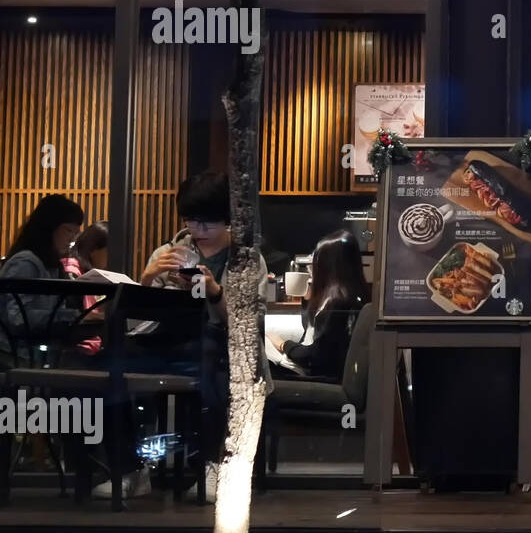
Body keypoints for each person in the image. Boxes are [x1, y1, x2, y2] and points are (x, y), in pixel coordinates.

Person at [100, 171, 267, 501]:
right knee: (111, 363)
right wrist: (147, 280)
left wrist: (215, 291)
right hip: (167, 342)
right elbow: (137, 318)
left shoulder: (247, 260)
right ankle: (131, 469)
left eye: (209, 223)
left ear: (228, 219)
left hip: (221, 349)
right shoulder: (170, 252)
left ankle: (214, 465)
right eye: (191, 221)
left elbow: (248, 325)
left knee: (213, 357)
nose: (198, 232)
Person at [268, 229, 369, 382]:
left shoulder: (339, 304)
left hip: (316, 376)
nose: (312, 265)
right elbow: (311, 336)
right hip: (307, 368)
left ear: (328, 265)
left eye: (317, 260)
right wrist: (309, 298)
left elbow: (317, 356)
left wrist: (283, 345)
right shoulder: (337, 298)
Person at [0, 194, 85, 366]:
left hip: (35, 355)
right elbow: (18, 318)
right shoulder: (25, 262)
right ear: (49, 228)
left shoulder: (51, 266)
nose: (72, 240)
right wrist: (74, 317)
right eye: (68, 231)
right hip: (15, 356)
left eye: (76, 233)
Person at [59, 221, 110, 356]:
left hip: (88, 345)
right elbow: (76, 314)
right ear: (94, 249)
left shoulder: (93, 274)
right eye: (110, 251)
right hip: (73, 350)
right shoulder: (70, 271)